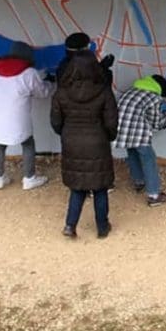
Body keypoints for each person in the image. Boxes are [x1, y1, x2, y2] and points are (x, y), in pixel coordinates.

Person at [50, 49, 118, 239]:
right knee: (100, 186)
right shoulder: (103, 91)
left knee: (77, 186)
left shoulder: (62, 92)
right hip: (97, 141)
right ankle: (102, 227)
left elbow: (55, 121)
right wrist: (108, 136)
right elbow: (112, 121)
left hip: (71, 141)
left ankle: (70, 226)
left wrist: (65, 133)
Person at [0, 40, 53, 190]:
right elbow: (43, 92)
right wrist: (52, 83)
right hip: (18, 119)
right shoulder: (29, 73)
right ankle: (29, 178)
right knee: (28, 144)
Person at [115, 74, 166, 206]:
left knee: (132, 153)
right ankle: (154, 195)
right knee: (148, 158)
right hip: (137, 131)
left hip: (121, 129)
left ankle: (139, 182)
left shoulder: (132, 90)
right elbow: (156, 122)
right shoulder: (154, 97)